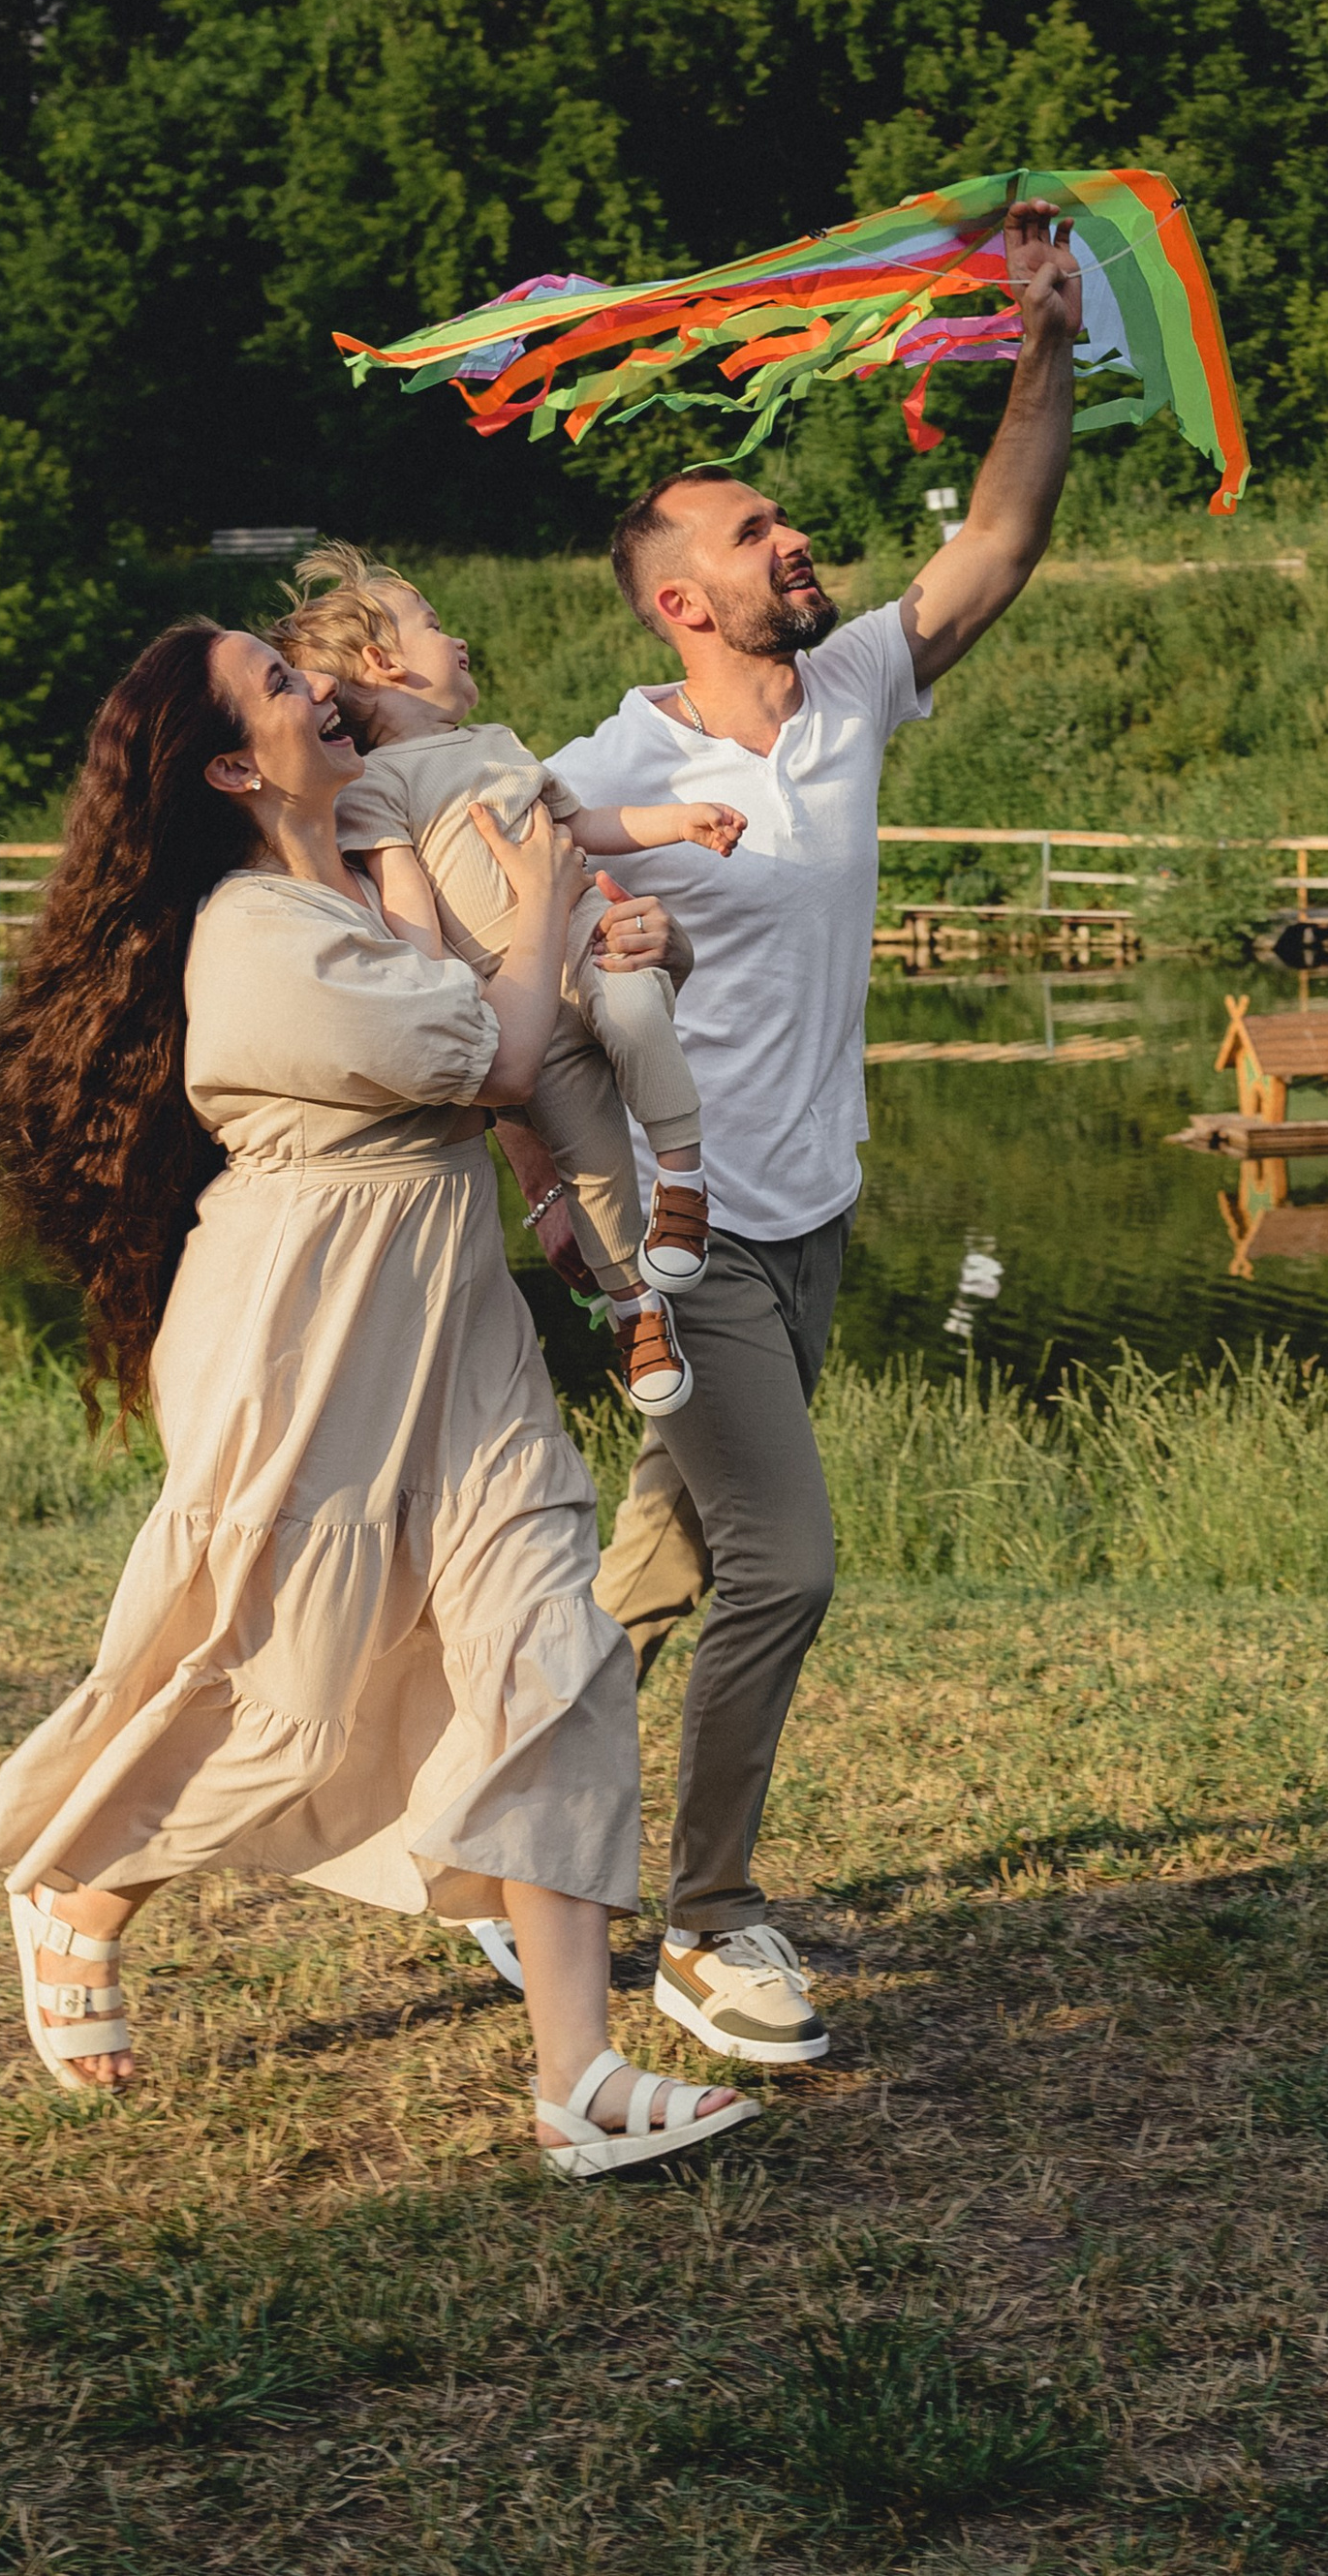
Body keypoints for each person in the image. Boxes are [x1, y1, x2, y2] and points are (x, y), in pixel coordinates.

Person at [0, 617, 756, 2175]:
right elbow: (500, 1057)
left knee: (555, 1639)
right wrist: (540, 901)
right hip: (302, 1324)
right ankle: (79, 1887)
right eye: (278, 681)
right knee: (283, 1666)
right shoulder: (257, 933)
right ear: (230, 767)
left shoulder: (381, 879)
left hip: (450, 1307)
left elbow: (552, 1021)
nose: (320, 683)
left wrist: (622, 945)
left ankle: (579, 2077)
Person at [496, 198, 1087, 2069]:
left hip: (813, 1210)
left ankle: (494, 1840)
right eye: (753, 532)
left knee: (671, 1554)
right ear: (681, 600)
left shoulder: (847, 694)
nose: (792, 536)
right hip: (681, 1232)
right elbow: (477, 958)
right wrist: (549, 1176)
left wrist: (1044, 344)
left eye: (783, 519)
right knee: (787, 1563)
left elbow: (999, 539)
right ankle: (707, 1921)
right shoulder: (604, 775)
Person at [271, 547, 747, 1422]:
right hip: (514, 993)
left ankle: (683, 1183)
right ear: (383, 661)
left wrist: (678, 822)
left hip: (584, 936)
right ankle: (636, 1310)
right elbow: (407, 900)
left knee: (637, 1006)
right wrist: (438, 987)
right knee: (589, 1159)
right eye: (433, 624)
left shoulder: (497, 745)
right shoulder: (374, 785)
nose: (456, 638)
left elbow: (582, 824)